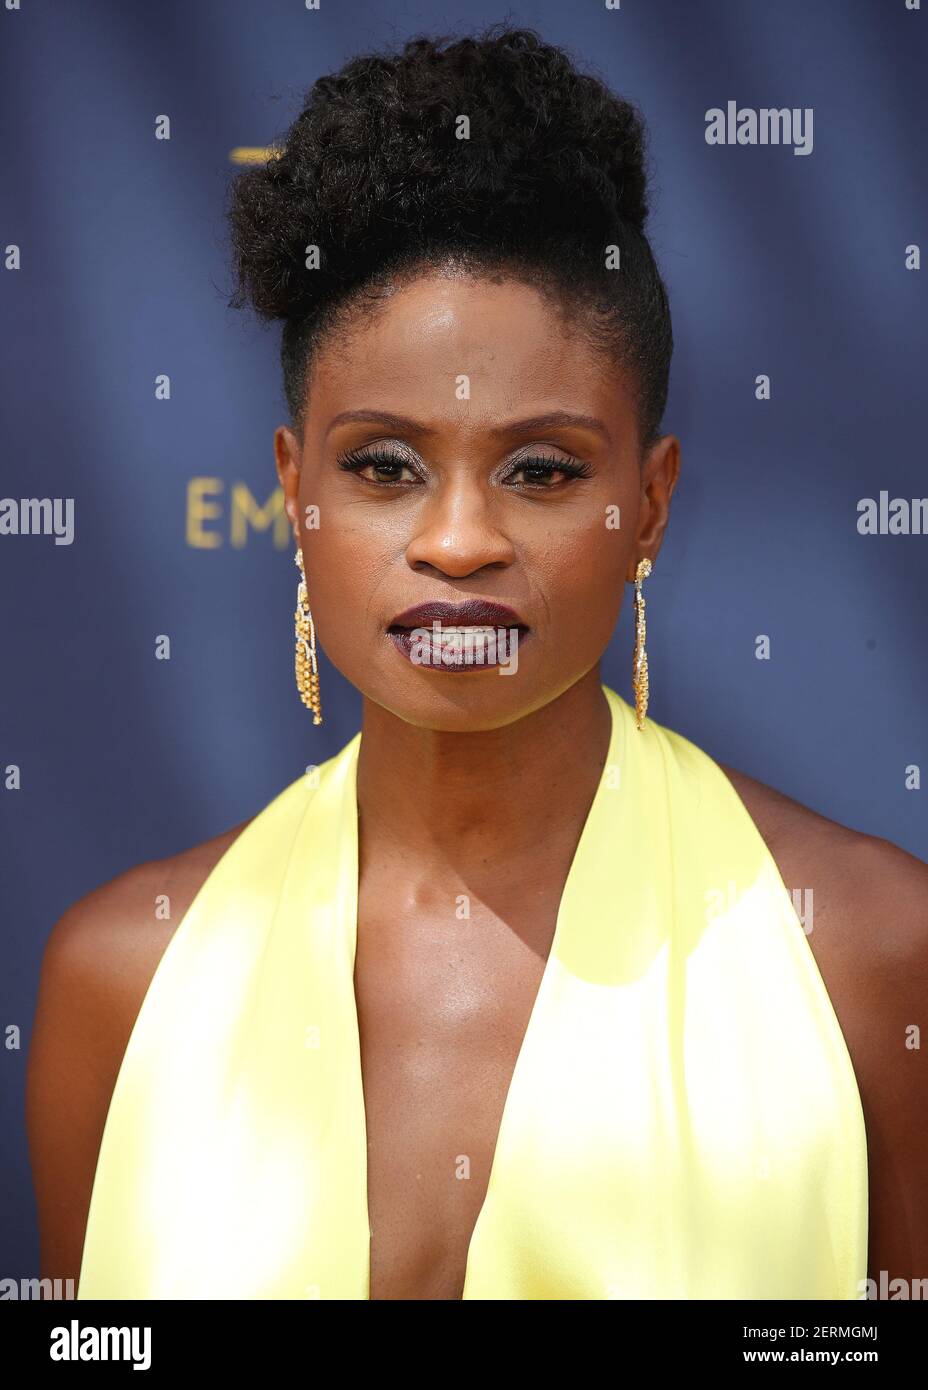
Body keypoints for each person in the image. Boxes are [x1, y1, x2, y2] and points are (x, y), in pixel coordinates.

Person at [27, 25, 927, 1301]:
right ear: (293, 491)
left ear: (649, 504)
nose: (457, 541)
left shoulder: (866, 955)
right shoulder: (124, 978)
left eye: (541, 470)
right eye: (384, 466)